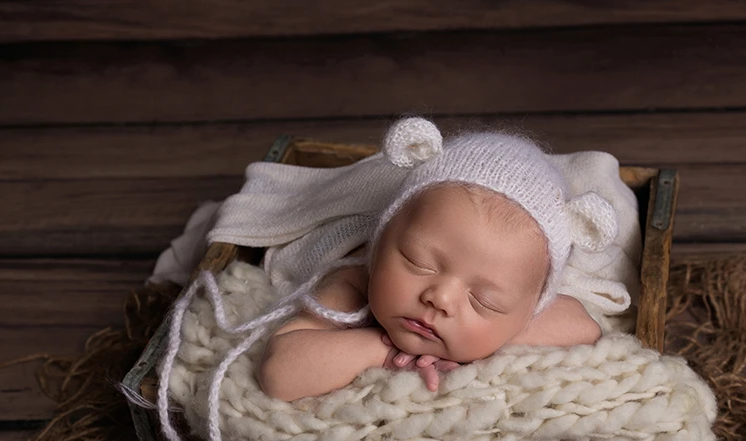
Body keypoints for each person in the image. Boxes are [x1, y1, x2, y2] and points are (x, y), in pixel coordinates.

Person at [256, 116, 618, 401]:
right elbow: (279, 373)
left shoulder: (525, 294)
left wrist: (479, 344)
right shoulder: (354, 279)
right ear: (382, 242)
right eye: (418, 262)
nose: (440, 298)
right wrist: (380, 350)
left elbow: (583, 326)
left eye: (483, 300)